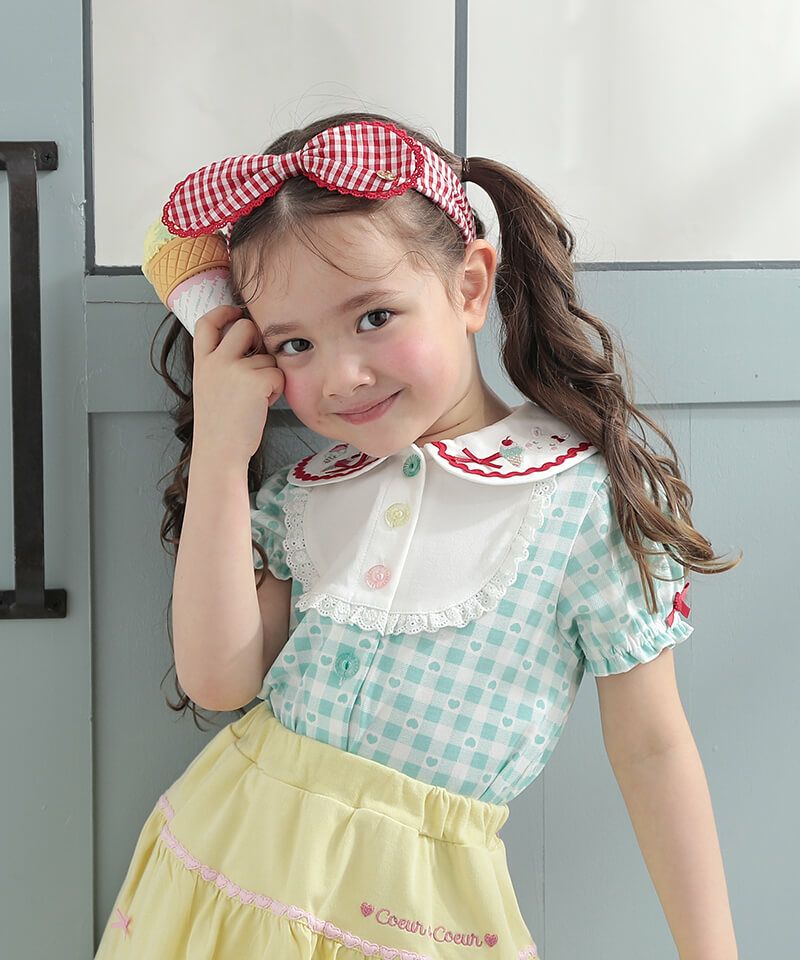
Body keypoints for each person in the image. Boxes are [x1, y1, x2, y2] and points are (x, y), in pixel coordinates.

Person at [95, 113, 741, 959]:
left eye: (374, 317)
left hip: (417, 921)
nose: (342, 375)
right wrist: (222, 445)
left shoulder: (580, 502)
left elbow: (654, 750)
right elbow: (219, 681)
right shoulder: (304, 497)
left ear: (470, 288)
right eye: (295, 343)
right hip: (227, 876)